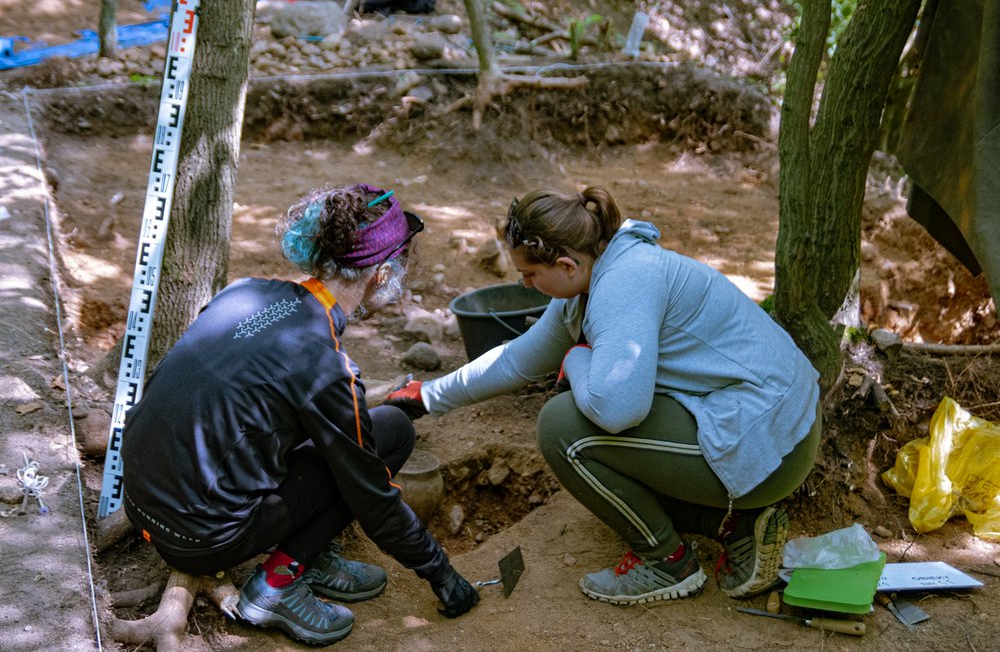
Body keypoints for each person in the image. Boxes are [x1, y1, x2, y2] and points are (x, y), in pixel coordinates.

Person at [386, 186, 821, 606]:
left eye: (531, 275)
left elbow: (617, 411)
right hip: (766, 420)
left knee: (564, 429)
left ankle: (666, 562)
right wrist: (428, 395)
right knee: (595, 418)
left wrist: (577, 359)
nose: (525, 285)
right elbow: (518, 360)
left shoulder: (623, 286)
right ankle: (729, 524)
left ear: (566, 264)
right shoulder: (601, 270)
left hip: (774, 445)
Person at [121, 183, 479, 646]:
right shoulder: (326, 365)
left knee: (370, 429)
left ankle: (309, 553)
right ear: (382, 273)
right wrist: (441, 573)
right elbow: (372, 496)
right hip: (199, 539)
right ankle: (277, 584)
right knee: (387, 439)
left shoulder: (245, 292)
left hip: (142, 503)